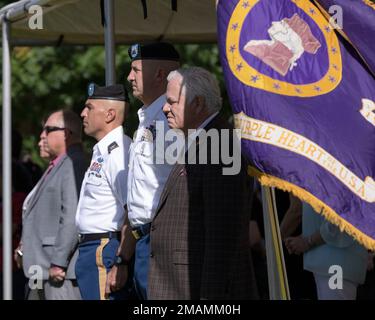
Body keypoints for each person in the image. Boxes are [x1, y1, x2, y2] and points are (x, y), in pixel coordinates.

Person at [146, 66, 259, 299]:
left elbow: (223, 233)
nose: (165, 108)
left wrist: (211, 297)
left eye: (172, 102)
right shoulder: (203, 140)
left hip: (198, 289)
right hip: (182, 284)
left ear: (197, 104)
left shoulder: (221, 145)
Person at [110, 42, 181, 300]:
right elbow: (138, 197)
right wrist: (124, 256)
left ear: (160, 74)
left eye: (136, 70)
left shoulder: (173, 119)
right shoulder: (148, 118)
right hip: (144, 243)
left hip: (163, 242)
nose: (129, 77)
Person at [15, 110, 86, 300]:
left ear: (66, 133)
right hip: (42, 268)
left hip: (56, 271)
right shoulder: (59, 165)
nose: (41, 135)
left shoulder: (73, 163)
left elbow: (71, 215)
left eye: (48, 129)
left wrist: (59, 262)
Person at [75, 83, 132, 300]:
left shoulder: (119, 151)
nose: (83, 113)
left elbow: (131, 210)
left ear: (109, 114)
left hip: (103, 248)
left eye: (89, 107)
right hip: (93, 248)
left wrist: (121, 260)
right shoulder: (104, 149)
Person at [283, 197, 368, 300]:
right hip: (330, 262)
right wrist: (305, 237)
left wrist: (308, 241)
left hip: (337, 262)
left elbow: (342, 218)